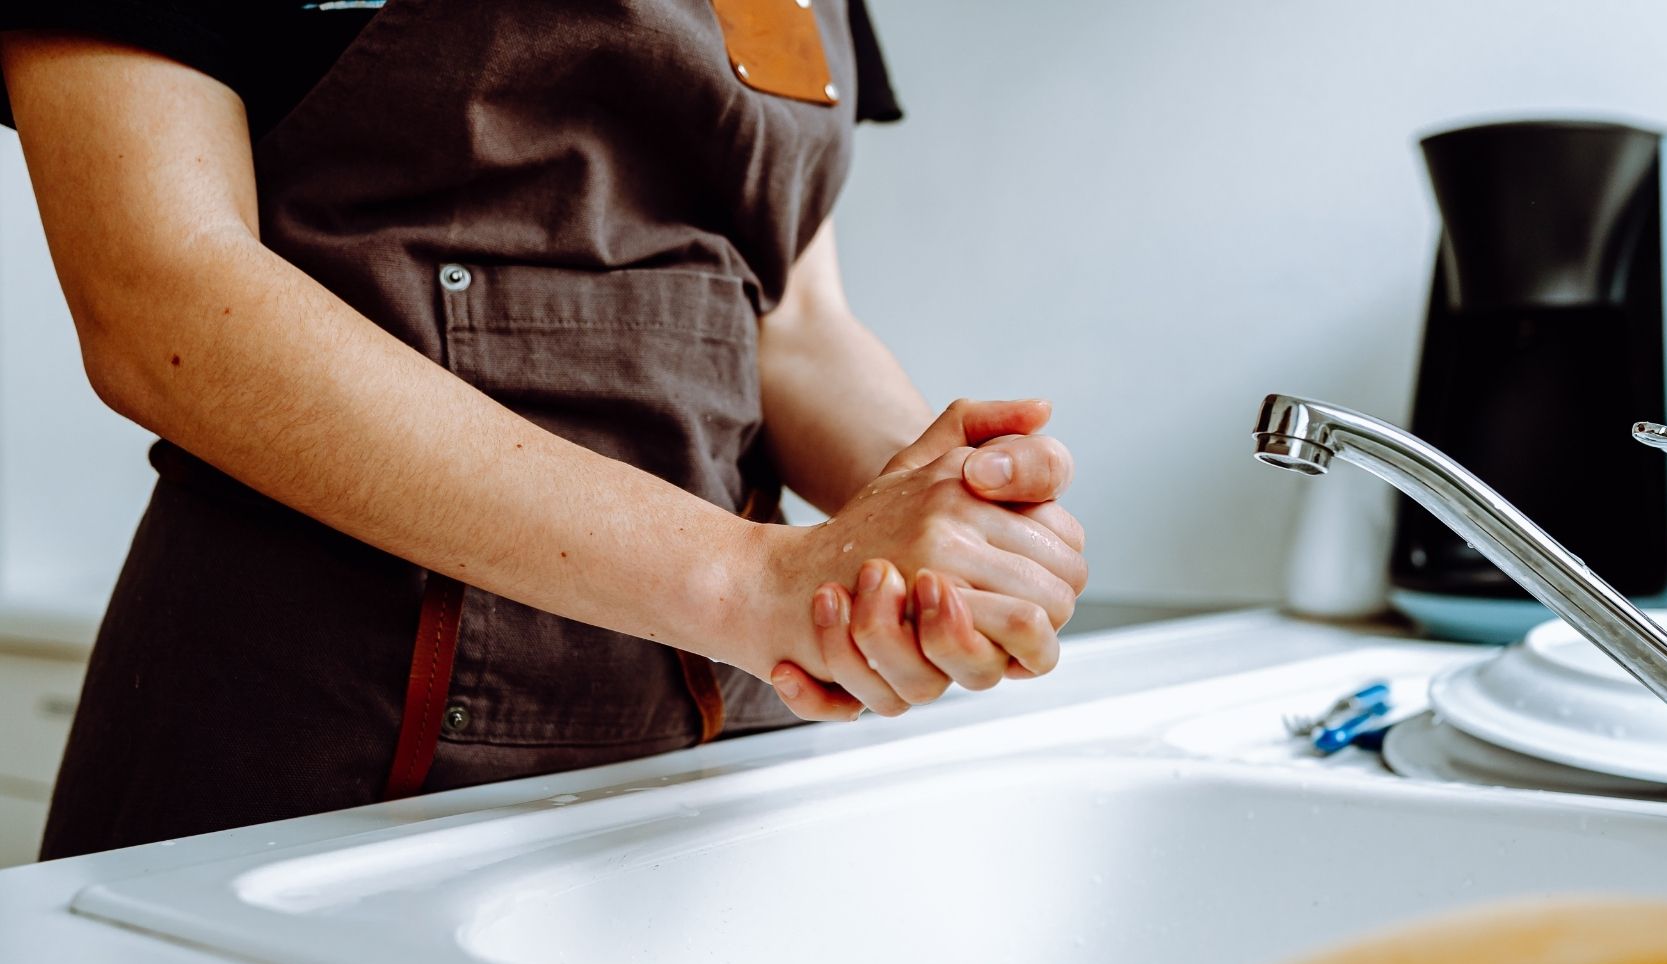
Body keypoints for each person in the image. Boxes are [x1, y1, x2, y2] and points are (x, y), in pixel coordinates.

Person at [0, 0, 1086, 860]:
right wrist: (749, 585)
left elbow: (791, 321)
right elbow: (160, 295)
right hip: (333, 754)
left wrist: (949, 519)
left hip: (725, 769)